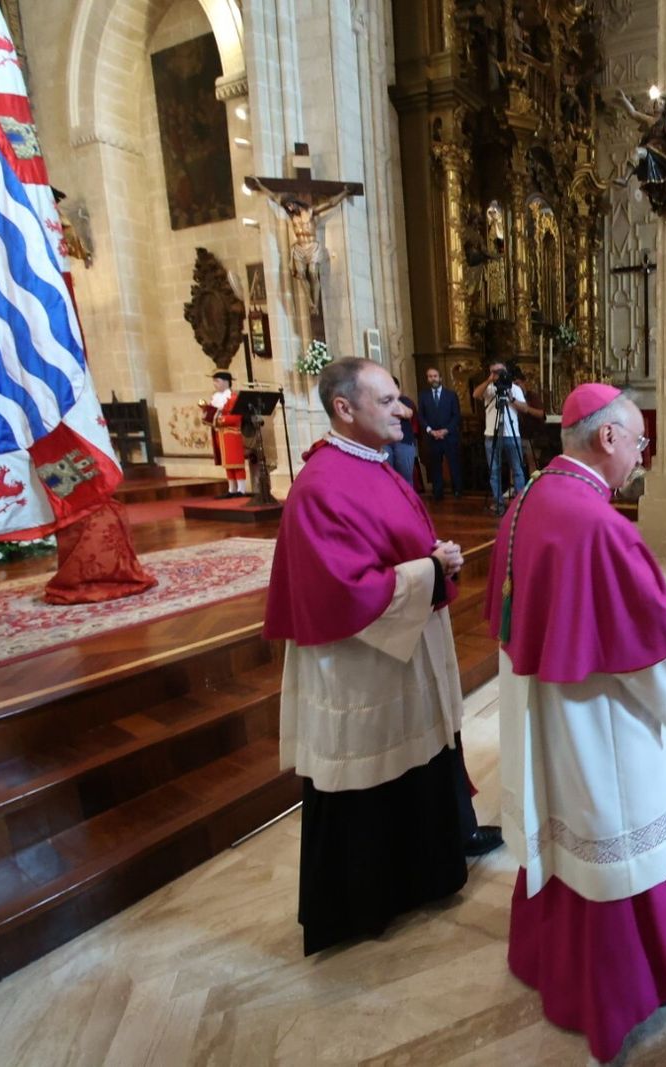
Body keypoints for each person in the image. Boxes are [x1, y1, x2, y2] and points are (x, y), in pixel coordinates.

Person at [485, 383, 666, 1061]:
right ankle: (632, 979)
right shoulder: (596, 522)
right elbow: (653, 636)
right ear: (606, 439)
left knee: (573, 832)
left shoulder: (529, 498)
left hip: (548, 705)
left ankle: (555, 958)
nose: (641, 454)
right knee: (617, 833)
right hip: (596, 715)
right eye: (638, 441)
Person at [263, 357, 471, 956]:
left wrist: (433, 557)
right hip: (358, 663)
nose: (403, 410)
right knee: (367, 770)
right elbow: (343, 587)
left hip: (398, 647)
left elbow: (389, 540)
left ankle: (430, 866)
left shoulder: (371, 463)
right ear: (344, 409)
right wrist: (431, 568)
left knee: (420, 753)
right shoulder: (320, 485)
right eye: (387, 401)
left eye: (400, 399)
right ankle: (366, 899)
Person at [472, 360, 531, 515]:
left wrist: (511, 399)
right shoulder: (489, 389)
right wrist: (489, 380)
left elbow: (525, 409)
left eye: (500, 372)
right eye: (494, 371)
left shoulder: (515, 389)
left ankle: (519, 503)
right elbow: (475, 394)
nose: (498, 374)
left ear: (506, 372)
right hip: (492, 434)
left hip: (512, 435)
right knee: (494, 470)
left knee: (517, 469)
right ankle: (498, 503)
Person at [418, 366, 464, 500]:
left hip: (449, 436)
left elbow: (456, 415)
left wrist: (446, 430)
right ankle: (437, 492)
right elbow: (421, 416)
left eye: (435, 376)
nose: (433, 379)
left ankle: (457, 490)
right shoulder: (423, 395)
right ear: (428, 379)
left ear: (440, 378)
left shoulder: (451, 395)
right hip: (432, 436)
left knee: (454, 464)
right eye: (430, 376)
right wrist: (430, 430)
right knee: (435, 465)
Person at [200, 371, 248, 498]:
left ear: (226, 382)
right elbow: (213, 414)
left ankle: (241, 489)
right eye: (214, 381)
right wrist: (207, 416)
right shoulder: (215, 398)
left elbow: (236, 418)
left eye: (217, 381)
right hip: (219, 434)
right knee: (227, 463)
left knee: (236, 462)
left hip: (232, 434)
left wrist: (218, 420)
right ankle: (231, 488)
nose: (215, 384)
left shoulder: (233, 398)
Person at [383, 375, 419, 486]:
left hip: (404, 442)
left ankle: (408, 503)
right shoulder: (378, 402)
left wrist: (393, 401)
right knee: (387, 477)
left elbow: (408, 414)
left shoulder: (404, 400)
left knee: (405, 478)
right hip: (385, 442)